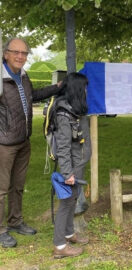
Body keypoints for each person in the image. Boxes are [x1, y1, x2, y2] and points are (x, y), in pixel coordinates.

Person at [0, 38, 61, 248]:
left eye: (24, 53)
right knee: (1, 189)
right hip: (4, 143)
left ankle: (15, 222)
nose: (20, 57)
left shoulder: (23, 77)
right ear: (5, 53)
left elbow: (32, 96)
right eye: (15, 52)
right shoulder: (1, 78)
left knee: (17, 186)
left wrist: (57, 87)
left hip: (23, 141)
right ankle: (0, 231)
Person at [52, 72, 91, 259]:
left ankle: (69, 234)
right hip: (71, 167)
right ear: (77, 89)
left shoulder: (75, 109)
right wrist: (67, 173)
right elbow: (63, 147)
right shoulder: (64, 114)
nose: (86, 91)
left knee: (73, 199)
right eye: (84, 87)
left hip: (77, 165)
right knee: (66, 204)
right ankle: (59, 246)